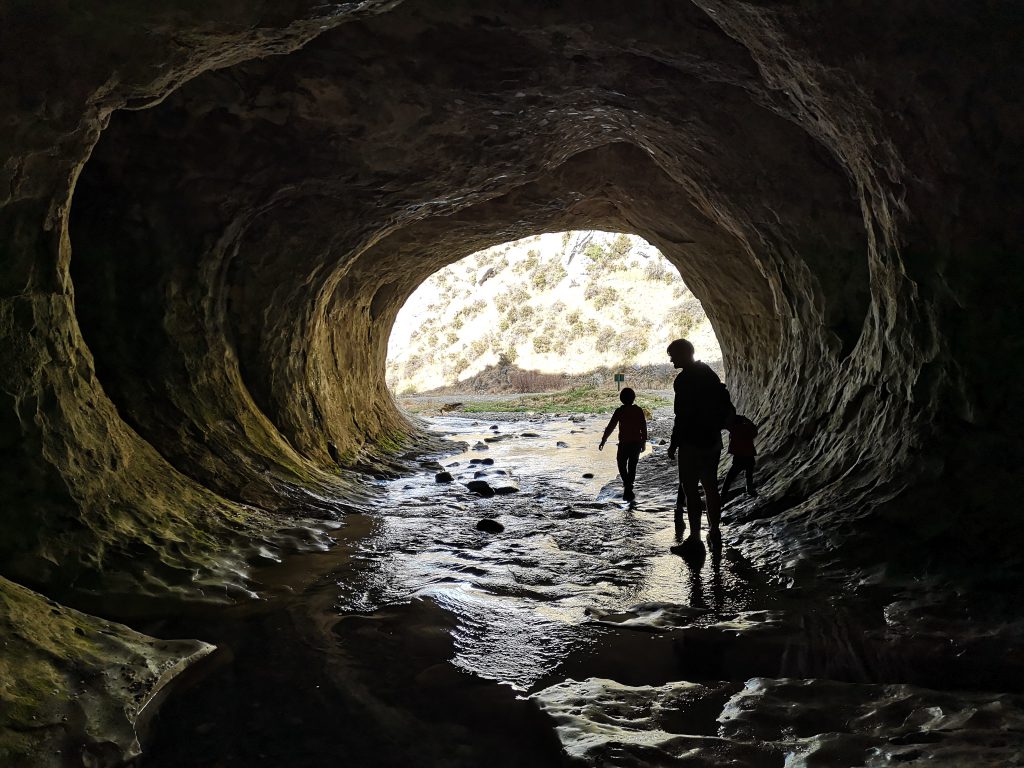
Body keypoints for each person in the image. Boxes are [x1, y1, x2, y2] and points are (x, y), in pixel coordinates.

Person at [666, 338, 733, 546]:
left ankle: (695, 538)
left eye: (673, 355)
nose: (670, 360)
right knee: (711, 487)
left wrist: (674, 442)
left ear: (684, 354)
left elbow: (682, 415)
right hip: (712, 439)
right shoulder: (708, 373)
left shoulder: (683, 380)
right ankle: (714, 532)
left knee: (690, 489)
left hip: (691, 441)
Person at [599, 387, 648, 502]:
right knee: (632, 466)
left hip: (624, 444)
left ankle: (627, 484)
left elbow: (611, 426)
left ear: (621, 399)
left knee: (621, 463)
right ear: (633, 398)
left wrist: (604, 440)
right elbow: (643, 428)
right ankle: (629, 485)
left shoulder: (619, 411)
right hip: (636, 443)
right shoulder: (638, 410)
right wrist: (643, 442)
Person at [721, 414, 758, 500]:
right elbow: (755, 431)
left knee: (728, 479)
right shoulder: (747, 428)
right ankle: (749, 490)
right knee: (749, 476)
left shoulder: (734, 429)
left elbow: (724, 425)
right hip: (749, 457)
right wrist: (747, 420)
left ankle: (722, 497)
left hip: (739, 458)